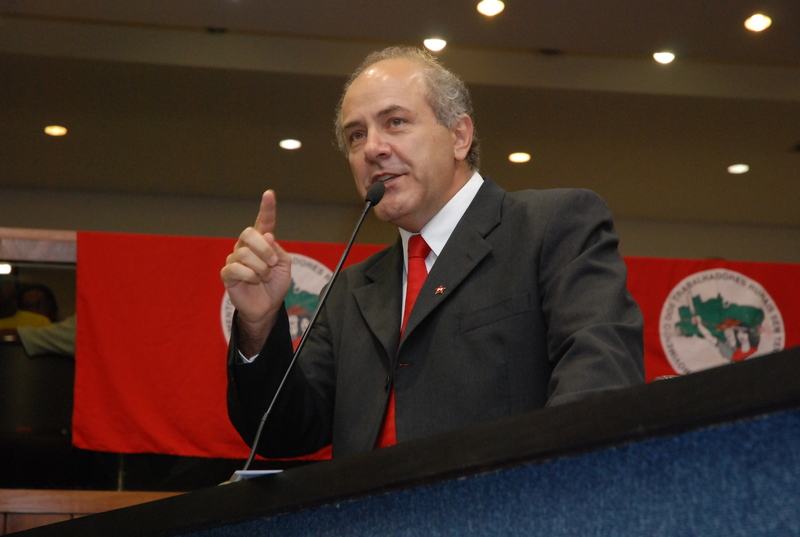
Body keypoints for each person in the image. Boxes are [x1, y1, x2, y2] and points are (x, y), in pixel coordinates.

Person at [222, 46, 644, 459]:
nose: (372, 148)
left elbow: (600, 379)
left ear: (459, 137)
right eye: (356, 135)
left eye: (395, 122)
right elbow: (281, 432)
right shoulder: (350, 290)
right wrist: (258, 326)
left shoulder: (552, 226)